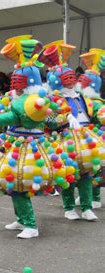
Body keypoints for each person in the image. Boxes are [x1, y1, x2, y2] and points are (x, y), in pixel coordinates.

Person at [0, 35, 77, 239]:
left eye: (19, 83)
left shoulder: (33, 101)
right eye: (15, 83)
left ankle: (31, 225)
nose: (16, 87)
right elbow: (10, 114)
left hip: (29, 147)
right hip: (15, 143)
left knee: (19, 184)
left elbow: (14, 116)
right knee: (12, 184)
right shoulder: (24, 98)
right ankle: (21, 219)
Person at [42, 42, 104, 221]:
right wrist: (66, 119)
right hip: (64, 138)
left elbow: (93, 113)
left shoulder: (82, 96)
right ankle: (69, 208)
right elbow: (49, 120)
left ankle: (86, 207)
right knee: (67, 174)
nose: (69, 82)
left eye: (71, 78)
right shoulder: (52, 99)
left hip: (86, 137)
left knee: (86, 174)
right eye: (65, 79)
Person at [74, 48, 104, 209]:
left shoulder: (96, 102)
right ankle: (88, 196)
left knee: (94, 170)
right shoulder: (84, 101)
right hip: (88, 138)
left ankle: (95, 198)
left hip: (96, 139)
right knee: (87, 169)